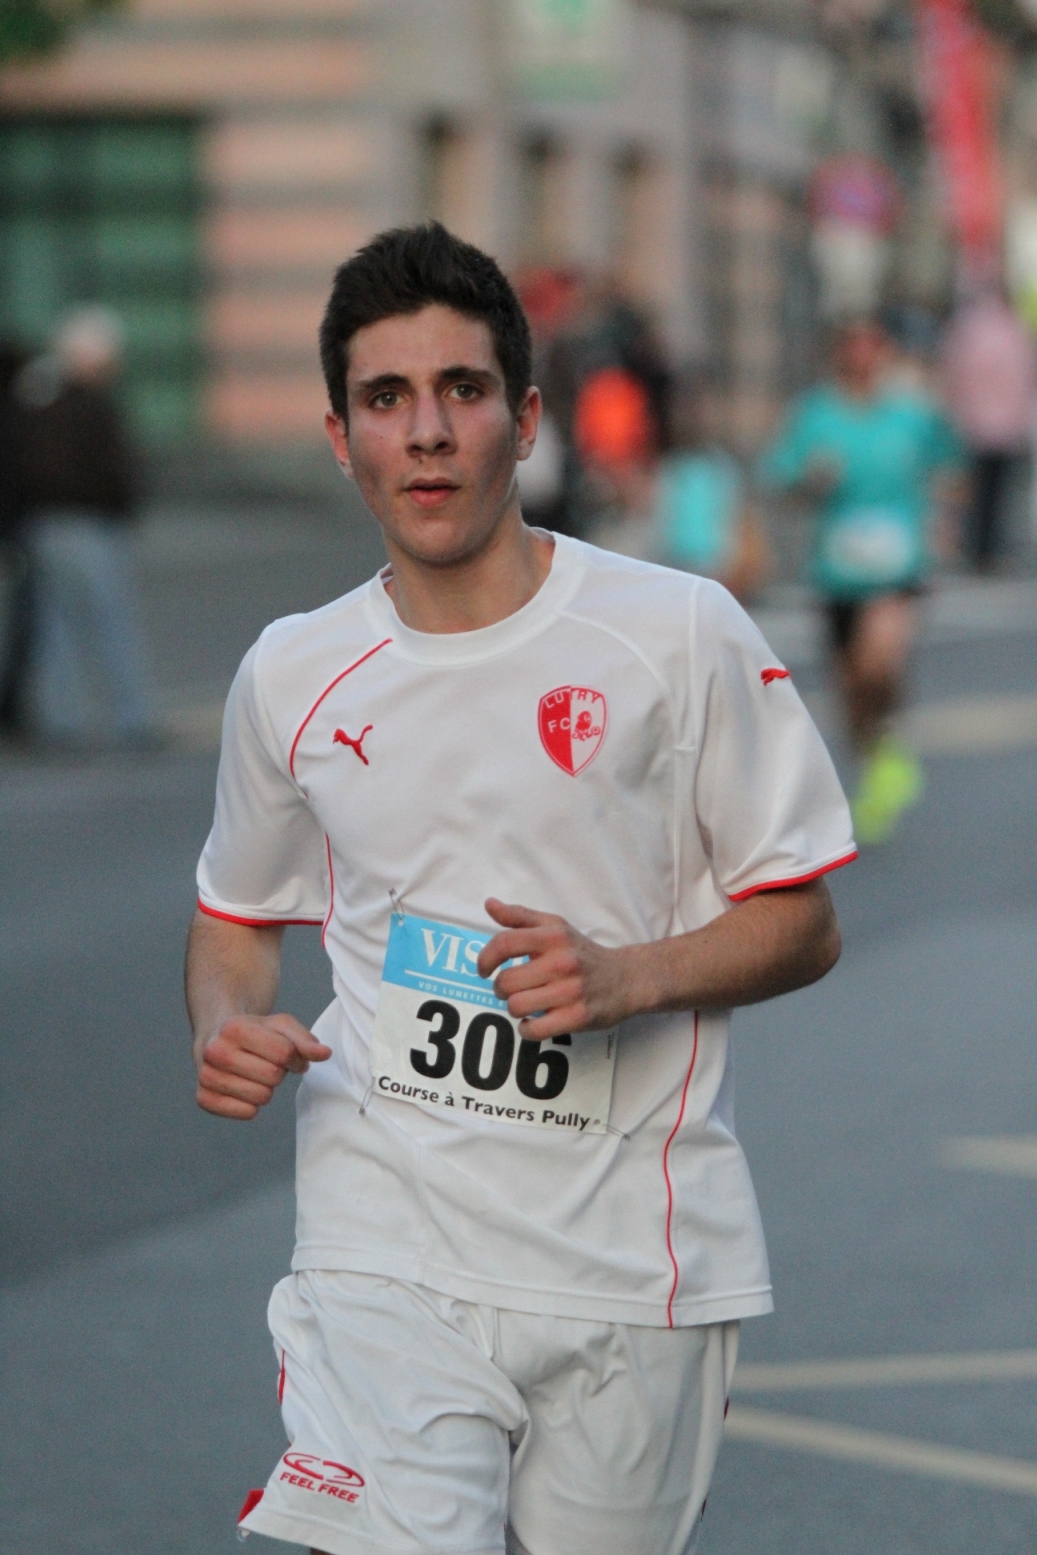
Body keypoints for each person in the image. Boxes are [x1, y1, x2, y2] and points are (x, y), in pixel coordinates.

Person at [186, 223, 855, 1555]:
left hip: (629, 1255)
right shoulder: (291, 670)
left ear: (527, 419)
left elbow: (805, 920)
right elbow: (235, 916)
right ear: (341, 438)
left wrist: (627, 976)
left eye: (462, 390)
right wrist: (226, 1021)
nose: (427, 431)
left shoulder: (674, 634)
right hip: (383, 1232)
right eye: (386, 398)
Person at [761, 317, 963, 845]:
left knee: (880, 661)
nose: (862, 358)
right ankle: (877, 764)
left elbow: (951, 465)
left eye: (872, 347)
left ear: (885, 354)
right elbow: (778, 475)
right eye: (852, 347)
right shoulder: (816, 415)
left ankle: (891, 742)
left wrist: (945, 520)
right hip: (838, 571)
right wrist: (810, 479)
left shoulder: (912, 414)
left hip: (899, 564)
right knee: (850, 685)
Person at [13, 307, 160, 748]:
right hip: (91, 524)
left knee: (55, 627)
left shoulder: (37, 398)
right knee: (111, 622)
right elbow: (114, 468)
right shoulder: (90, 403)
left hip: (44, 524)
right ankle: (133, 718)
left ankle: (63, 721)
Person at [940, 287, 1037, 573]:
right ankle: (989, 547)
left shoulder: (969, 331)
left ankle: (976, 546)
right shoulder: (1014, 332)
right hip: (1004, 426)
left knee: (977, 491)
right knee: (997, 492)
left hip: (975, 425)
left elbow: (955, 374)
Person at [652, 376, 771, 604]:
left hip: (715, 575)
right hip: (673, 572)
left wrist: (738, 568)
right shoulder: (667, 468)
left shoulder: (722, 468)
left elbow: (736, 521)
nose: (692, 421)